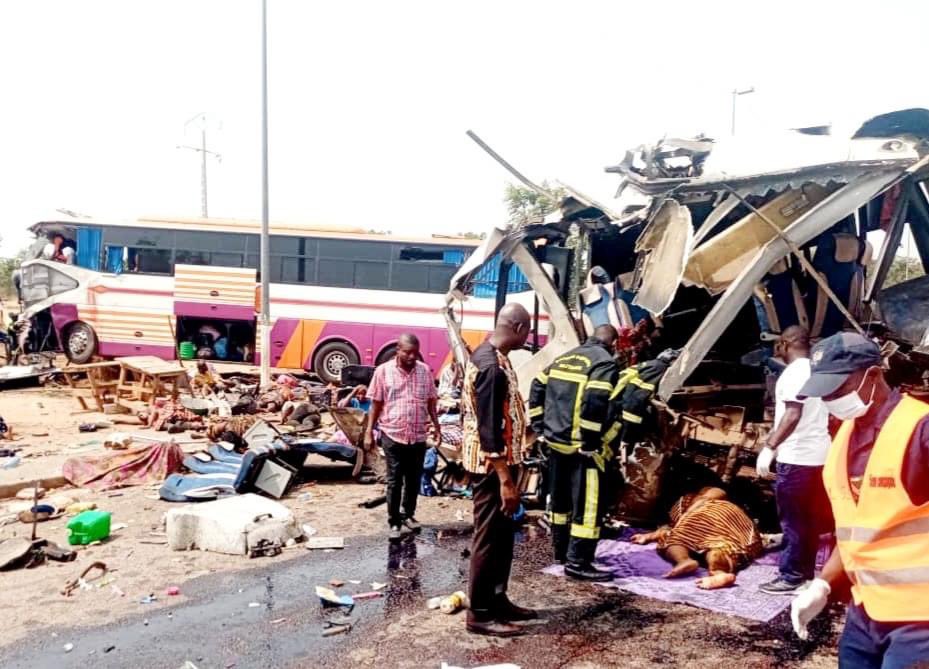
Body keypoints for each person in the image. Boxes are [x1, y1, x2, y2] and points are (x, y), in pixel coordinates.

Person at [790, 332, 929, 665]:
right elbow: (853, 530)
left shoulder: (920, 431)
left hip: (919, 620)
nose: (831, 399)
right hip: (865, 610)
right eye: (824, 392)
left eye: (838, 389)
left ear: (874, 375)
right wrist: (821, 585)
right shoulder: (845, 437)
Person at [461, 303, 536, 637]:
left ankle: (497, 597)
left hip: (503, 466)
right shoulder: (490, 367)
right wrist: (506, 480)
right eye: (528, 331)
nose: (528, 337)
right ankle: (479, 613)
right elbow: (490, 429)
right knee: (488, 538)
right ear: (519, 328)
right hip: (492, 468)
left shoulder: (496, 358)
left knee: (504, 536)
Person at [528, 324, 620, 581]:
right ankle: (578, 562)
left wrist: (540, 427)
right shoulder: (604, 363)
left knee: (560, 501)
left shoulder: (566, 357)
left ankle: (561, 552)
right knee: (587, 507)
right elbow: (595, 400)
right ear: (614, 344)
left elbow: (537, 386)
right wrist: (590, 442)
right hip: (582, 450)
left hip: (556, 444)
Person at [756, 325, 833, 595]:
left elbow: (792, 414)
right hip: (820, 456)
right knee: (810, 519)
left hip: (797, 457)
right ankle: (807, 575)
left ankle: (792, 577)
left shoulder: (792, 374)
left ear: (785, 344)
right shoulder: (818, 370)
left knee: (793, 520)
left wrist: (769, 447)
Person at [365, 334, 440, 541]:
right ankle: (394, 521)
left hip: (417, 436)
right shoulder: (383, 372)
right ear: (397, 350)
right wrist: (368, 432)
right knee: (395, 480)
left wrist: (437, 426)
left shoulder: (424, 371)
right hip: (392, 434)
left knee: (414, 479)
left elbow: (432, 402)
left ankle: (409, 514)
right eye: (407, 352)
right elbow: (376, 404)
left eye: (415, 353)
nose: (411, 356)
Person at [630, 487, 763, 589]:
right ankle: (718, 572)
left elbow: (670, 528)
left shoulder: (704, 497)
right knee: (719, 545)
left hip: (721, 520)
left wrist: (650, 536)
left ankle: (684, 560)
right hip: (720, 529)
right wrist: (647, 536)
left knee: (675, 537)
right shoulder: (688, 501)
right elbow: (670, 527)